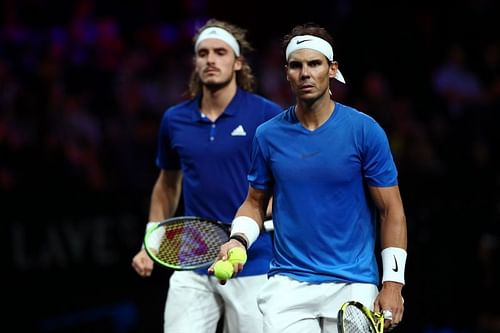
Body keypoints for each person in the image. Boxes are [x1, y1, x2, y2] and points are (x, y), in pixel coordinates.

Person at [211, 23, 408, 332]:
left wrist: (393, 283)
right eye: (296, 65)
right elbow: (254, 202)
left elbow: (391, 210)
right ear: (287, 73)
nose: (305, 73)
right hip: (288, 283)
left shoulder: (365, 131)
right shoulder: (267, 135)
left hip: (353, 283)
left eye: (314, 64)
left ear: (332, 69)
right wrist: (238, 239)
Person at [131, 19, 282, 333]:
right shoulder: (175, 120)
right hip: (192, 261)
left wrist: (259, 219)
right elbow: (167, 184)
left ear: (238, 62)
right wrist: (151, 240)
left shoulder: (266, 114)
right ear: (195, 62)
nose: (210, 59)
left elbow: (289, 182)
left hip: (254, 260)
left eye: (220, 52)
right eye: (203, 53)